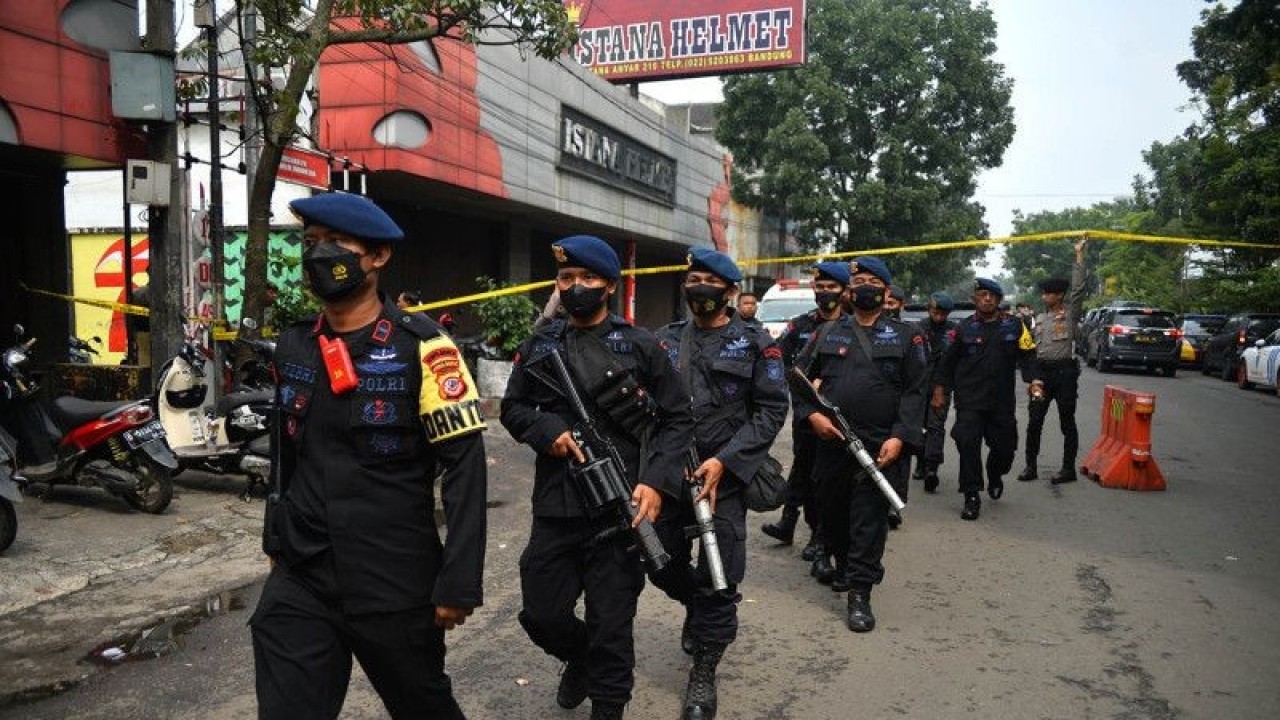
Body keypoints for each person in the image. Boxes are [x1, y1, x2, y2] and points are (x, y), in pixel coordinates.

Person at [253, 193, 487, 720]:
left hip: (394, 581)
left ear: (378, 256)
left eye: (335, 244)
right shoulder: (294, 346)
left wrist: (459, 578)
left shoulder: (424, 348)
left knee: (423, 707)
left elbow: (465, 467)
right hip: (303, 576)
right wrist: (275, 537)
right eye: (310, 243)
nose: (318, 255)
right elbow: (284, 454)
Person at [500, 235, 692, 720]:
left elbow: (676, 419)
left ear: (608, 285)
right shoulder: (541, 345)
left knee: (612, 626)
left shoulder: (642, 345)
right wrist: (548, 430)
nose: (576, 286)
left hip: (620, 509)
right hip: (558, 507)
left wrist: (655, 482)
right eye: (567, 279)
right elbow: (514, 408)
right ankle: (578, 656)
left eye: (587, 279)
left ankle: (608, 704)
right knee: (541, 614)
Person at [653, 248, 787, 720]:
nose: (698, 287)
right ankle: (696, 605)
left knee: (720, 576)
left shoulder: (757, 343)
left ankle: (703, 673)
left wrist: (725, 461)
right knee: (657, 560)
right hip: (668, 478)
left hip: (723, 481)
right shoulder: (665, 341)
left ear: (731, 292)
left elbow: (771, 410)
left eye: (710, 280)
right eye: (693, 278)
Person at [794, 256, 927, 632]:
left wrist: (900, 435)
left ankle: (860, 593)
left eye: (872, 280)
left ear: (885, 290)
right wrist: (812, 415)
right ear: (849, 291)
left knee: (868, 521)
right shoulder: (828, 332)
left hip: (881, 445)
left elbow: (916, 391)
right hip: (833, 442)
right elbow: (799, 379)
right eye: (858, 282)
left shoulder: (907, 335)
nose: (864, 287)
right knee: (832, 515)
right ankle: (841, 560)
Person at [761, 261, 849, 565]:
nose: (825, 293)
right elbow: (778, 362)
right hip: (806, 416)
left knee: (832, 480)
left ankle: (824, 538)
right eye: (820, 287)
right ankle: (815, 533)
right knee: (808, 475)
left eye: (831, 288)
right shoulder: (799, 326)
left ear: (843, 291)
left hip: (841, 417)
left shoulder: (851, 327)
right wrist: (799, 383)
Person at [934, 278, 1043, 521]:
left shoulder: (1015, 326)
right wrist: (939, 390)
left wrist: (1034, 381)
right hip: (969, 400)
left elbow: (1028, 356)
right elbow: (947, 363)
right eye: (982, 294)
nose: (987, 299)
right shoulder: (962, 329)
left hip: (1001, 402)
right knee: (968, 445)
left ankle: (995, 474)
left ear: (998, 300)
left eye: (992, 295)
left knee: (1005, 449)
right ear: (975, 299)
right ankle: (971, 495)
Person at [1019, 240, 1088, 485]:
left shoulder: (1070, 313)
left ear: (1059, 295)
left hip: (1065, 373)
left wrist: (1078, 255)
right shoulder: (1039, 318)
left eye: (1048, 293)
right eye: (1044, 293)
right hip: (1042, 374)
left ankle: (1068, 469)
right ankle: (1030, 466)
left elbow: (1079, 288)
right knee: (1034, 420)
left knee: (1066, 421)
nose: (1044, 296)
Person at [911, 292, 958, 493]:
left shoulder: (953, 331)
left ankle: (932, 468)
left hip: (942, 386)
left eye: (943, 313)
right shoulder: (918, 328)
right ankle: (921, 461)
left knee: (935, 427)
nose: (939, 316)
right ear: (929, 310)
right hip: (918, 386)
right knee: (918, 427)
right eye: (936, 312)